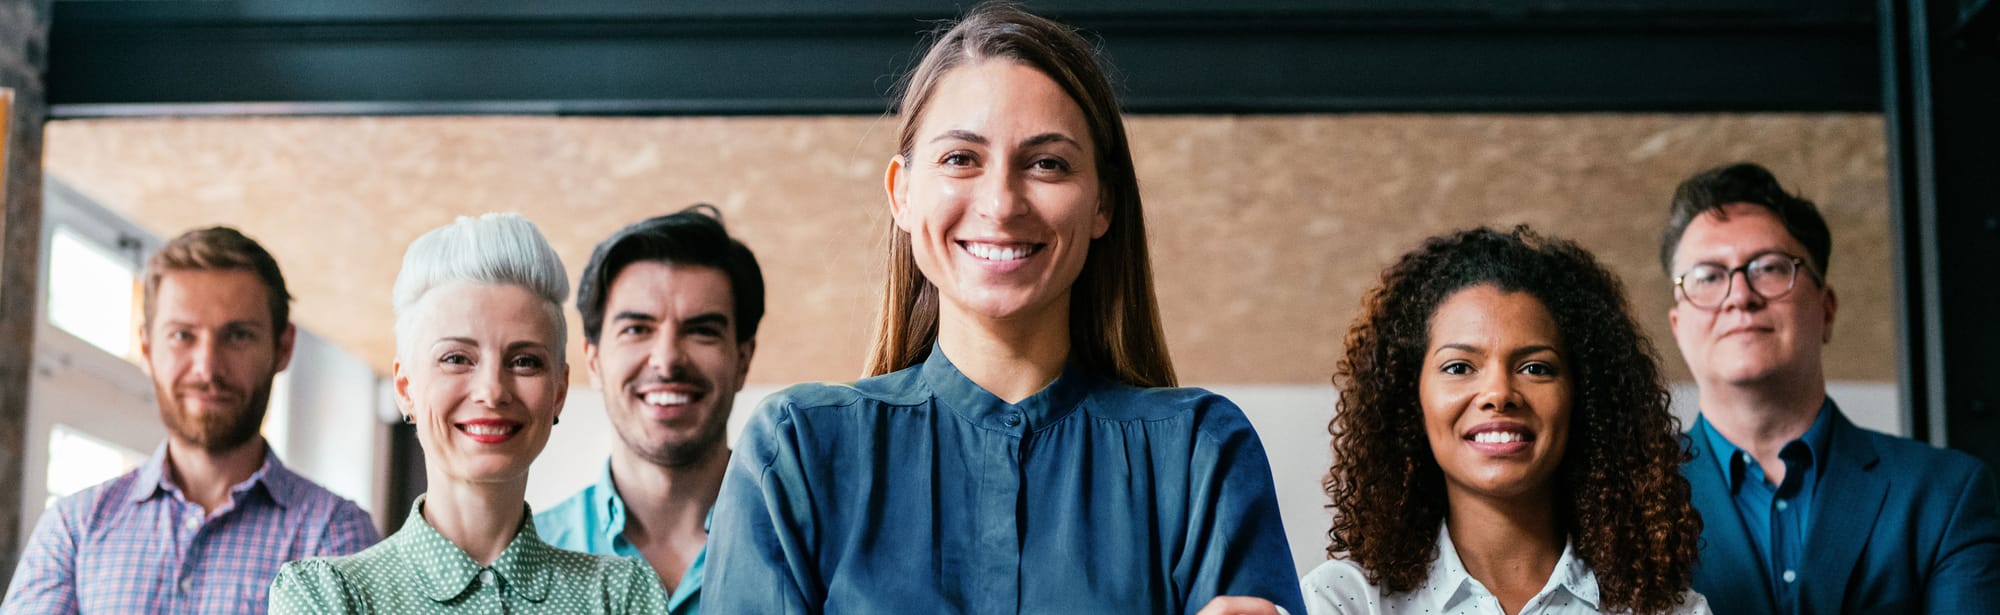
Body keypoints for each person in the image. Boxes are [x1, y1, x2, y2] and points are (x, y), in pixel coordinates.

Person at [705, 3, 1303, 613]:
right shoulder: (796, 450)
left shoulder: (1201, 450)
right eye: (961, 158)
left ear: (1103, 204)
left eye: (1048, 163)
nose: (1000, 202)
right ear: (902, 194)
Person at [267, 214, 667, 613]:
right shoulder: (327, 593)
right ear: (406, 388)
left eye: (525, 361)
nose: (492, 391)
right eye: (456, 358)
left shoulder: (621, 592)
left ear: (558, 391)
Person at [1300, 226, 1708, 615]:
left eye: (1535, 368)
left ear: (1583, 397)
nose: (1499, 394)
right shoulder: (1341, 602)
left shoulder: (1670, 610)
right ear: (1411, 399)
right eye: (1459, 367)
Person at [1661, 163, 2000, 614]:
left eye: (1769, 268)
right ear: (1679, 326)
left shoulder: (1946, 494)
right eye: (1707, 275)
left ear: (1827, 310)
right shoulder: (1625, 500)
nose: (1740, 295)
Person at [3, 227, 377, 614]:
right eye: (183, 335)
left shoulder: (335, 534)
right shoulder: (74, 528)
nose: (208, 368)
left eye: (239, 336)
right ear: (146, 348)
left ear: (282, 348)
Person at [534, 205, 764, 615]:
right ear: (593, 360)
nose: (667, 359)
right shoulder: (524, 555)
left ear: (743, 359)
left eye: (702, 331)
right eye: (636, 329)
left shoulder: (805, 547)